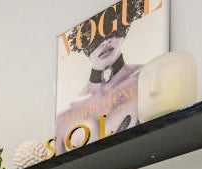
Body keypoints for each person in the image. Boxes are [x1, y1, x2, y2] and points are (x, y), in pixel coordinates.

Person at [55, 19, 142, 154]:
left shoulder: (144, 78)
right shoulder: (65, 114)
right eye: (92, 41)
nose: (105, 42)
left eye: (112, 31)